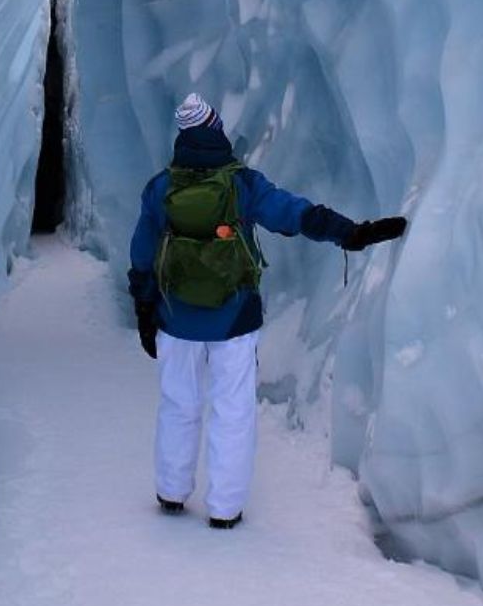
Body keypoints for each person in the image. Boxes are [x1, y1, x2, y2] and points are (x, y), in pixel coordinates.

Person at [128, 93, 407, 528]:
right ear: (217, 133)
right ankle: (224, 508)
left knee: (178, 403)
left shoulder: (160, 188)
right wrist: (351, 233)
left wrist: (145, 307)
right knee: (232, 410)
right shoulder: (243, 185)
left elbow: (142, 252)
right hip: (234, 318)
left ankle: (171, 490)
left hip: (175, 317)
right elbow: (296, 215)